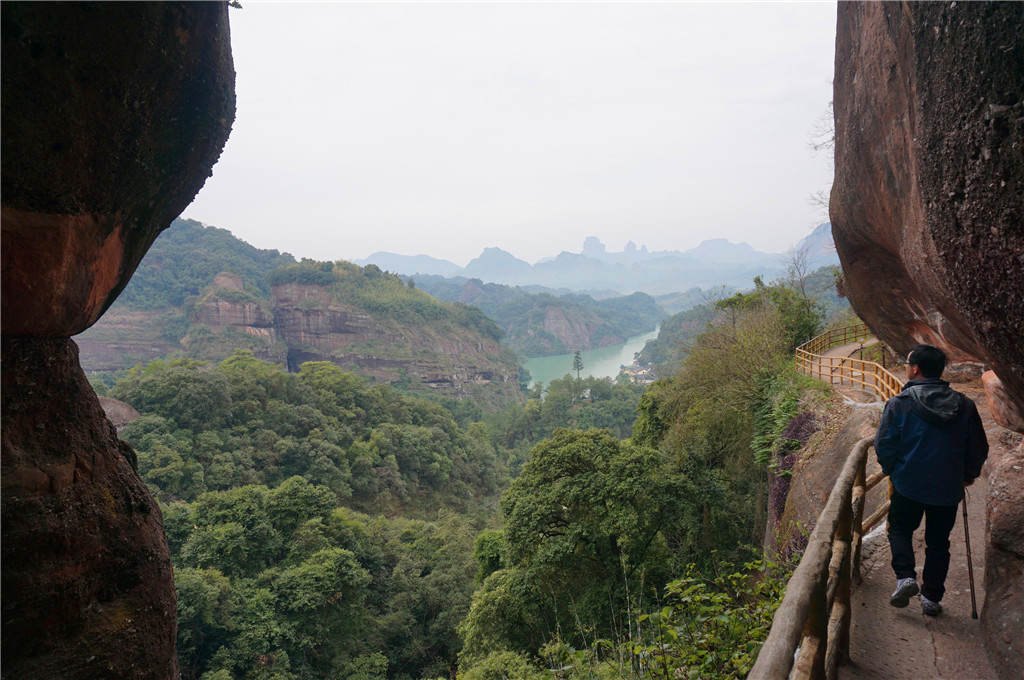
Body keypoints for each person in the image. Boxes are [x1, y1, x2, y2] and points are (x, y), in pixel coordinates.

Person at [874, 344, 988, 616]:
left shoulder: (899, 404)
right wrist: (967, 476)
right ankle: (931, 599)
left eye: (908, 362)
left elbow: (884, 445)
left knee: (900, 529)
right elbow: (979, 448)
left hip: (908, 484)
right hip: (947, 488)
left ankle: (905, 577)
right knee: (939, 543)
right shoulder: (964, 405)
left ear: (916, 369)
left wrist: (894, 470)